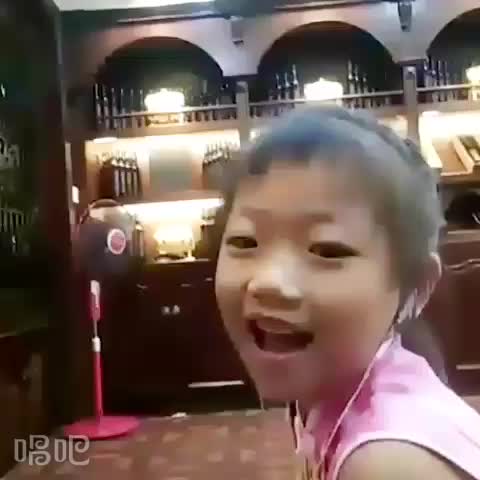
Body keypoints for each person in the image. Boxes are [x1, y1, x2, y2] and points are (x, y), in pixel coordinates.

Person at [214, 106, 480, 480]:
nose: (268, 281)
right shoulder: (335, 391)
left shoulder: (387, 462)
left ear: (416, 286)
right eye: (245, 241)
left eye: (327, 250)